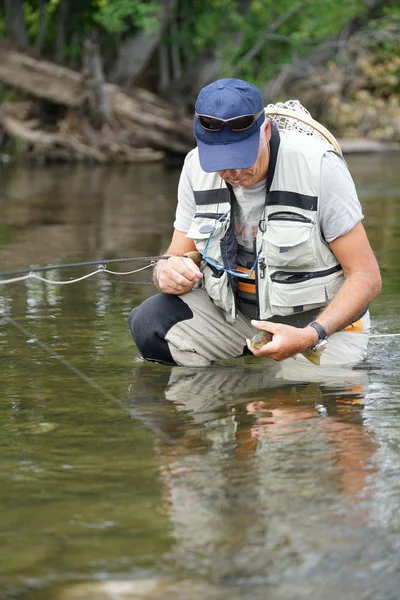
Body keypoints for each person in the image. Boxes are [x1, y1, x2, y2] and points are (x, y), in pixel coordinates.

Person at [129, 78, 381, 367]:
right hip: (239, 319)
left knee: (286, 403)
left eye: (241, 157)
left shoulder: (319, 166)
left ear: (265, 131)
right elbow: (175, 254)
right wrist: (167, 270)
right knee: (150, 322)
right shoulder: (193, 166)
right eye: (220, 161)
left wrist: (312, 334)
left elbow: (367, 278)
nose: (233, 171)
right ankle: (217, 402)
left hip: (320, 329)